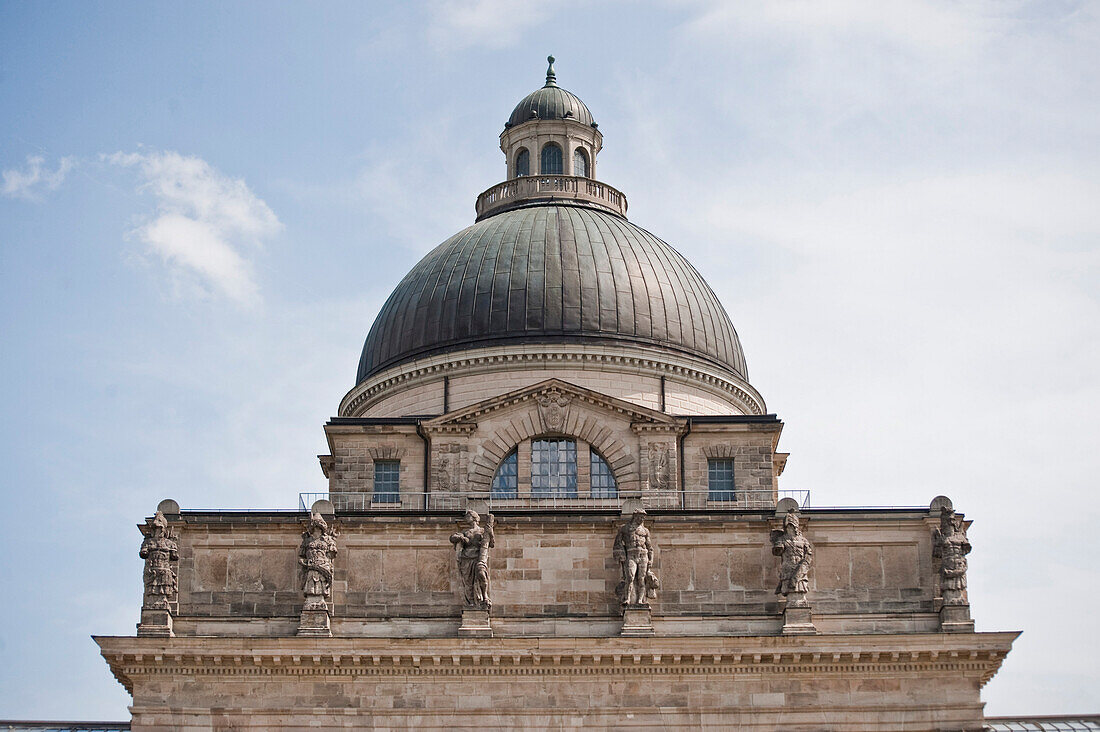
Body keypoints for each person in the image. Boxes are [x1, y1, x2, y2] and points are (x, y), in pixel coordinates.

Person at [450, 509, 495, 609]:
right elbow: (453, 538)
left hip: (479, 558)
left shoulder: (483, 530)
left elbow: (491, 544)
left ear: (474, 518)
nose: (466, 518)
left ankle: (485, 596)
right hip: (466, 558)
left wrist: (491, 533)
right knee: (468, 582)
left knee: (481, 574)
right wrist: (460, 538)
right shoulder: (465, 532)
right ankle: (471, 602)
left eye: (468, 516)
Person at [614, 509, 657, 606]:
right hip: (631, 554)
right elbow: (617, 543)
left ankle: (640, 600)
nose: (642, 519)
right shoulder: (625, 528)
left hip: (643, 555)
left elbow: (650, 547)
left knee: (641, 579)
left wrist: (651, 559)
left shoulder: (645, 531)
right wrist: (621, 556)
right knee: (630, 577)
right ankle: (627, 598)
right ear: (635, 516)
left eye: (643, 517)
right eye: (640, 516)